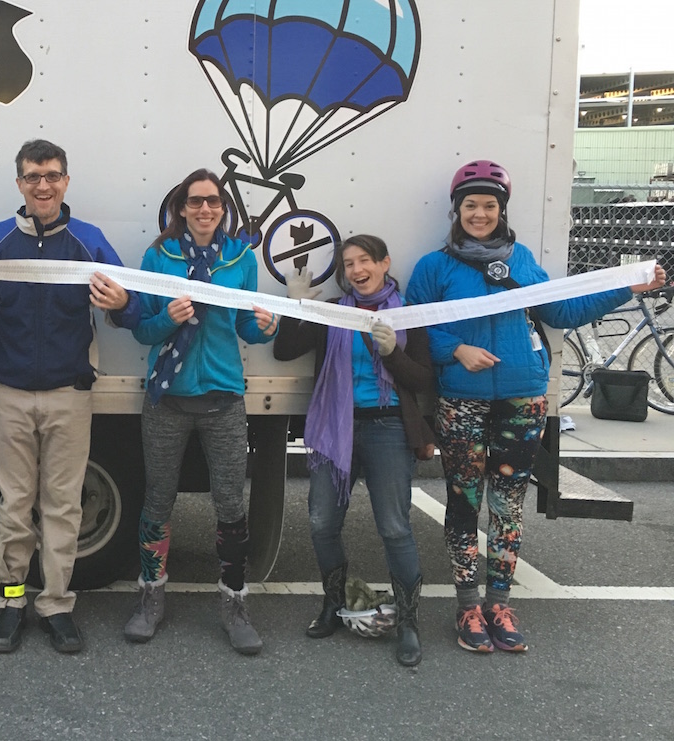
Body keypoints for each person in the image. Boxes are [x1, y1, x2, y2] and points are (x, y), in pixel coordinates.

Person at [406, 160, 667, 653]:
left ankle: (499, 603)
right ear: (455, 211)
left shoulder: (521, 260)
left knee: (508, 506)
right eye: (470, 206)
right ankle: (467, 607)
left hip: (522, 399)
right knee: (464, 503)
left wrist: (624, 288)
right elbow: (418, 327)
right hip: (462, 400)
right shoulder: (433, 267)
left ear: (501, 211)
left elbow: (561, 311)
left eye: (489, 206)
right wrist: (455, 351)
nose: (479, 214)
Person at [0, 139, 139, 654]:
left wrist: (122, 302)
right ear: (19, 183)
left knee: (62, 508)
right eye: (33, 176)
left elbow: (132, 307)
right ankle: (12, 602)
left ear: (65, 181)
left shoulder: (88, 240)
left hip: (68, 394)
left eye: (52, 175)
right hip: (9, 392)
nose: (43, 185)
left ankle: (56, 604)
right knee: (14, 506)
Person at [123, 169, 278, 656]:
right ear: (181, 209)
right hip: (167, 398)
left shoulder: (240, 259)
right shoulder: (157, 256)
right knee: (158, 499)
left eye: (213, 202)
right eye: (195, 202)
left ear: (223, 207)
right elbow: (142, 331)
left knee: (231, 505)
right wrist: (165, 320)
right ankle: (150, 597)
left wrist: (266, 326)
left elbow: (249, 332)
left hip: (224, 398)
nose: (205, 210)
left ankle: (235, 604)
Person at [273, 235, 435, 667]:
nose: (356, 269)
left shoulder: (408, 313)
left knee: (395, 528)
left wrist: (391, 354)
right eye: (348, 263)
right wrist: (299, 306)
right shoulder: (334, 313)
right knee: (322, 521)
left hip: (387, 427)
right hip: (336, 426)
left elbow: (422, 380)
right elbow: (284, 350)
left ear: (384, 263)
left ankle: (408, 621)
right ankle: (332, 603)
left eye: (365, 260)